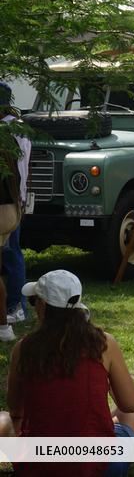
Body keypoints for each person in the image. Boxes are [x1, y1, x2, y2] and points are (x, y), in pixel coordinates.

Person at [0, 270, 134, 476]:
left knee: (3, 420)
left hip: (37, 466)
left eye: (33, 301)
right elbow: (130, 404)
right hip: (101, 466)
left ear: (43, 306)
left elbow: (16, 410)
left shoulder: (23, 349)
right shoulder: (103, 343)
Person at [1, 82, 29, 332]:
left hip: (9, 200)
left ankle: (16, 306)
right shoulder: (17, 126)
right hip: (13, 198)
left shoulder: (10, 130)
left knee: (11, 254)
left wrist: (18, 199)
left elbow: (17, 169)